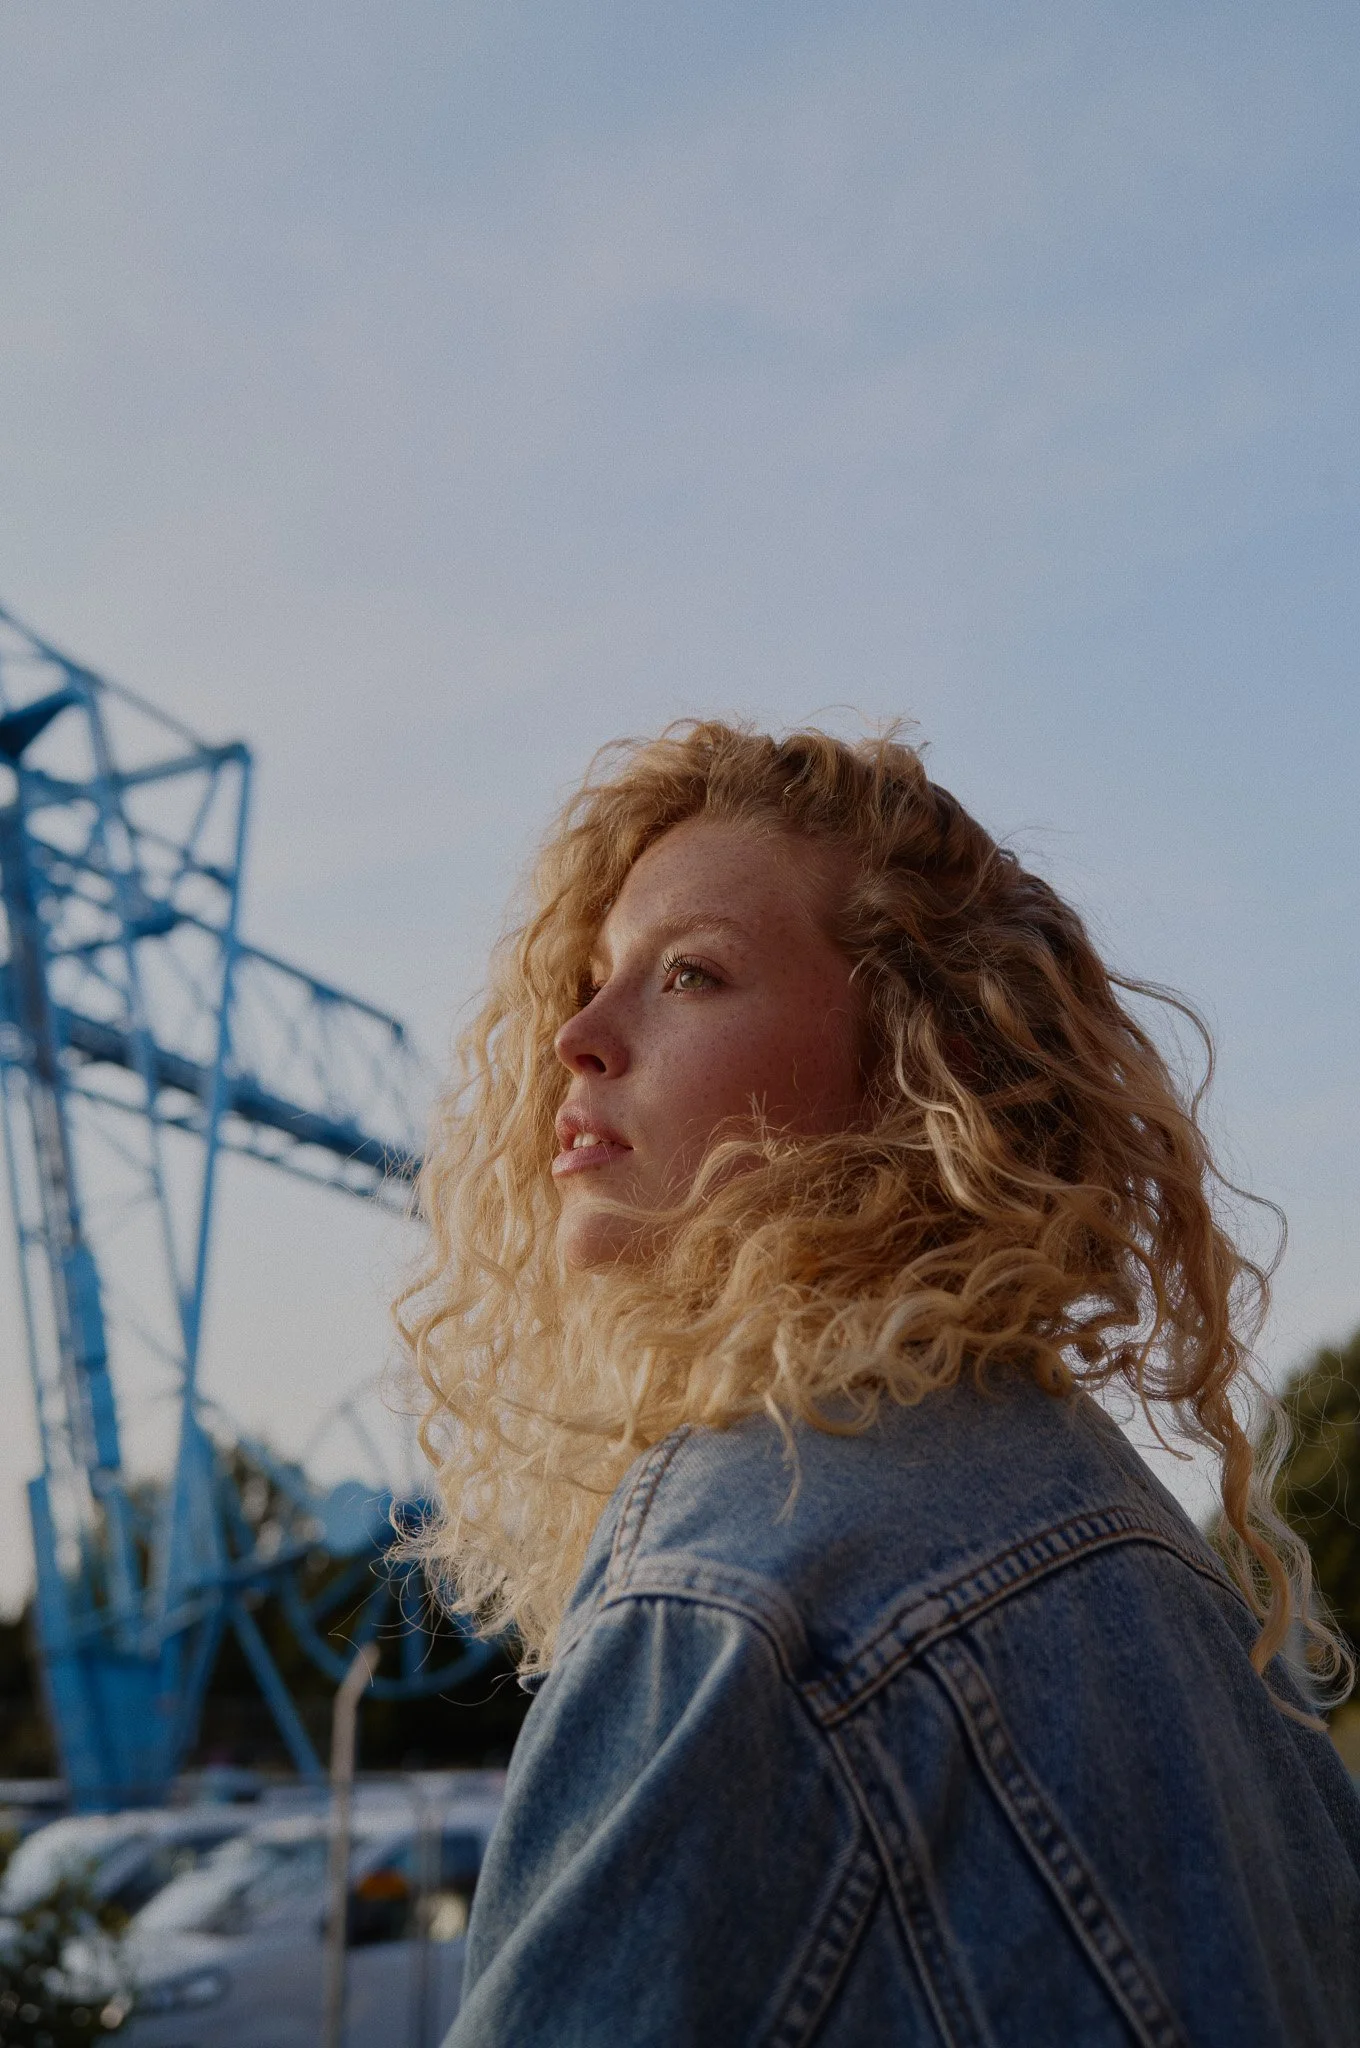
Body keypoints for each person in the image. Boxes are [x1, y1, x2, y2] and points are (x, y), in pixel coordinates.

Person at [397, 723, 1360, 2046]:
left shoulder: (739, 1576)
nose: (579, 1036)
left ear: (921, 1067)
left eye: (690, 974)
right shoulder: (1139, 1544)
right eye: (590, 976)